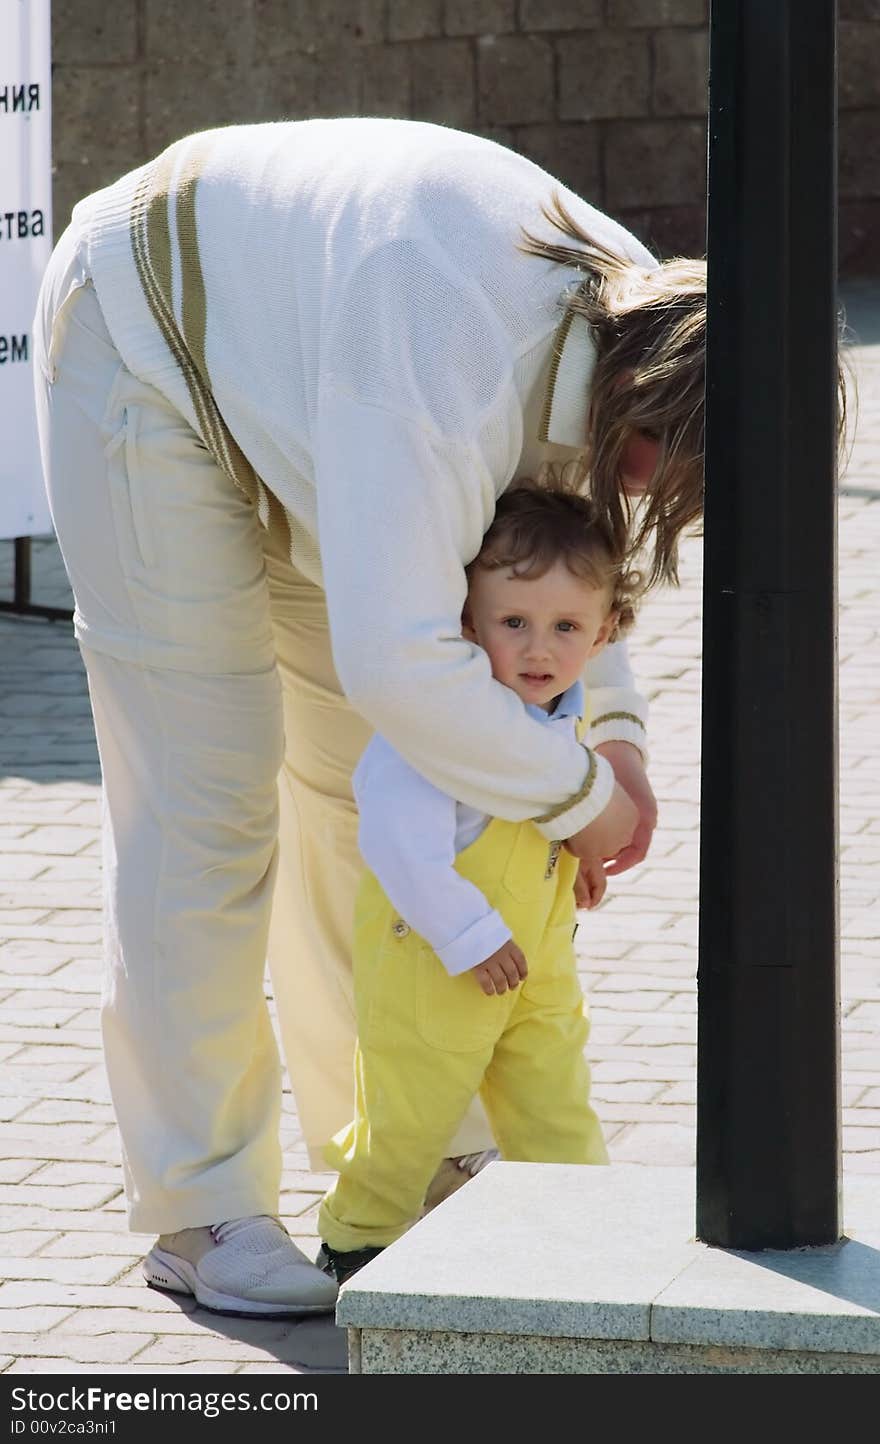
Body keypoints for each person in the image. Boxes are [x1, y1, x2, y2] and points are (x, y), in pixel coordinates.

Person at [32, 117, 707, 1317]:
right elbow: (404, 664)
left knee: (364, 797)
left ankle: (400, 1158)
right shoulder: (450, 355)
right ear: (638, 415)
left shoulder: (638, 331)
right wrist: (582, 805)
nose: (653, 496)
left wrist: (613, 744)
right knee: (210, 802)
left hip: (315, 391)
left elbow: (554, 577)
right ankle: (202, 1208)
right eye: (661, 471)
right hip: (149, 346)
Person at [315, 482, 644, 1284]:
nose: (539, 650)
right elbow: (400, 844)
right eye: (513, 624)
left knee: (553, 1089)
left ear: (604, 634)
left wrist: (577, 863)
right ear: (469, 623)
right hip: (437, 959)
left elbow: (544, 811)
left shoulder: (559, 714)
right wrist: (467, 935)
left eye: (566, 628)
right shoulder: (439, 727)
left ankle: (576, 1224)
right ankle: (358, 1234)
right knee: (411, 1108)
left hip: (535, 960)